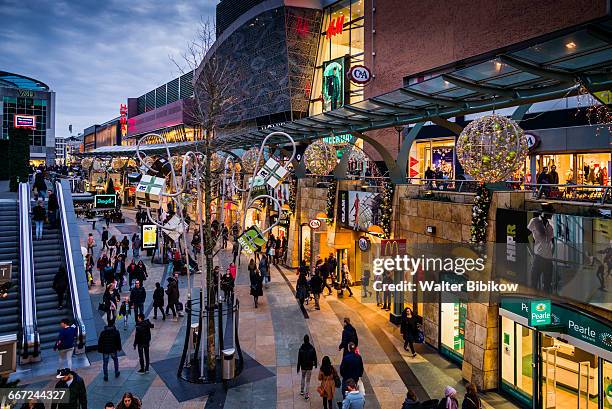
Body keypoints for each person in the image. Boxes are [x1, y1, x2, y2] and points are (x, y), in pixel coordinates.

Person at [297, 334, 318, 401]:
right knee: (308, 381)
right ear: (308, 340)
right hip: (309, 367)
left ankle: (302, 391)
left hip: (303, 366)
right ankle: (306, 395)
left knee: (303, 377)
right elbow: (315, 357)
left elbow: (299, 359)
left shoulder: (301, 349)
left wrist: (298, 367)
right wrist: (315, 364)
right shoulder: (312, 348)